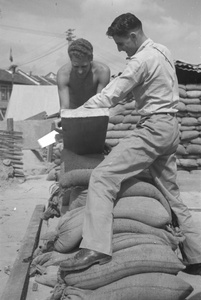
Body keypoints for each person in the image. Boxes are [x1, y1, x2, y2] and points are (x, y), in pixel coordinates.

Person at [60, 13, 201, 275]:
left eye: (121, 43)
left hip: (153, 129)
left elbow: (110, 95)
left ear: (134, 36)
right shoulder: (164, 51)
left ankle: (96, 248)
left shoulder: (141, 60)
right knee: (172, 195)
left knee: (102, 177)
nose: (119, 48)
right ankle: (196, 256)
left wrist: (74, 114)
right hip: (171, 128)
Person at [57, 38, 111, 110]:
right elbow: (64, 107)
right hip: (72, 113)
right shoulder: (63, 74)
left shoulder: (102, 72)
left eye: (84, 66)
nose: (80, 71)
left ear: (91, 58)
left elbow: (99, 104)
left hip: (94, 111)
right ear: (70, 60)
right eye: (76, 66)